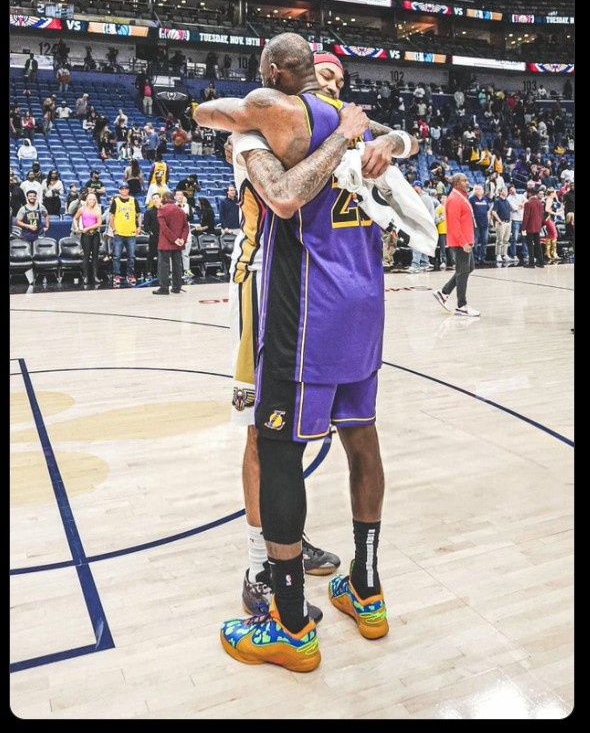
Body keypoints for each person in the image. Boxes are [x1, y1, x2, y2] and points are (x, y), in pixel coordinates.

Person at [195, 34, 416, 671]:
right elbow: (220, 115)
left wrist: (381, 139)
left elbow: (212, 118)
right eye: (322, 71)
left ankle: (289, 621)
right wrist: (372, 138)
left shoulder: (332, 127)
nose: (331, 80)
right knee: (359, 439)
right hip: (362, 306)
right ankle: (364, 589)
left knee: (275, 448)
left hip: (307, 310)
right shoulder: (324, 124)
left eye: (338, 73)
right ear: (301, 77)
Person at [433, 173, 480, 317]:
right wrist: (463, 242)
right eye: (464, 180)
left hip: (466, 239)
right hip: (460, 242)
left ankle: (444, 292)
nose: (467, 183)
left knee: (468, 268)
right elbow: (454, 224)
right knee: (462, 271)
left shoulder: (462, 196)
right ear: (456, 183)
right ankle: (461, 305)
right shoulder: (454, 199)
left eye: (467, 180)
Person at [152, 191, 189, 296]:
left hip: (166, 242)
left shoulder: (162, 210)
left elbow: (164, 228)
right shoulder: (180, 210)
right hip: (178, 243)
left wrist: (174, 239)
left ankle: (164, 288)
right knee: (177, 265)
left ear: (164, 198)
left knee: (163, 265)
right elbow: (186, 227)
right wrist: (182, 239)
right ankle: (177, 287)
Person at [109, 183, 142, 288]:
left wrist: (139, 226)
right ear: (119, 190)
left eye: (126, 188)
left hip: (131, 232)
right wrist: (114, 228)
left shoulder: (133, 200)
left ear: (128, 190)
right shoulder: (116, 201)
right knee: (117, 256)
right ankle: (116, 276)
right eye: (122, 189)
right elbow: (111, 216)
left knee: (131, 256)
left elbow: (139, 214)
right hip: (119, 233)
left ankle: (130, 275)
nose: (124, 190)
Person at [73, 192, 103, 285]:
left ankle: (95, 276)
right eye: (90, 199)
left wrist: (88, 228)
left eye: (94, 199)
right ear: (87, 200)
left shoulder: (97, 210)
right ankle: (85, 276)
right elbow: (75, 218)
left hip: (95, 234)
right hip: (85, 235)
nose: (92, 201)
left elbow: (99, 223)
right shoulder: (82, 209)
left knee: (95, 256)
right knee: (86, 255)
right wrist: (77, 227)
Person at [521, 187, 546, 268]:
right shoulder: (540, 203)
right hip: (538, 226)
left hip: (530, 227)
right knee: (538, 244)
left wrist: (523, 227)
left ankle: (531, 263)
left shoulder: (528, 203)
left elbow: (526, 216)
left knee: (530, 245)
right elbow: (542, 215)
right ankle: (541, 262)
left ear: (529, 193)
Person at [490, 186, 512, 264]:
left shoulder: (507, 201)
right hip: (501, 222)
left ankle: (504, 254)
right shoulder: (497, 201)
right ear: (500, 192)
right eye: (504, 190)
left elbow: (510, 211)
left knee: (506, 240)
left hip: (507, 222)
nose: (506, 192)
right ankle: (498, 254)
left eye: (506, 190)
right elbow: (493, 211)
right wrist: (499, 220)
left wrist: (510, 220)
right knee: (500, 239)